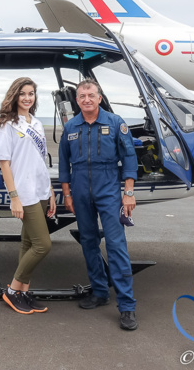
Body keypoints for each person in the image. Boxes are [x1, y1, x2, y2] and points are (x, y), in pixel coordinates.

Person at [57, 79, 139, 330]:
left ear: (99, 98)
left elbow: (129, 158)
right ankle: (100, 291)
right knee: (89, 241)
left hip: (109, 190)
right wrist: (68, 194)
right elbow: (63, 164)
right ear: (77, 100)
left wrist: (128, 192)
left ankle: (126, 306)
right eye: (81, 96)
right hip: (80, 191)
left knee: (116, 245)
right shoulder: (70, 127)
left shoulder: (115, 123)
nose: (86, 99)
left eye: (91, 95)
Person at [0, 77, 56, 314]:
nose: (27, 98)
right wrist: (14, 197)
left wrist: (50, 192)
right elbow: (5, 163)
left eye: (31, 93)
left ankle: (23, 292)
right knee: (43, 245)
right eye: (23, 93)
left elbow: (40, 162)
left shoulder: (37, 123)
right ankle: (12, 290)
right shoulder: (7, 125)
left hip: (41, 190)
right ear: (15, 96)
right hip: (24, 193)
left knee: (29, 243)